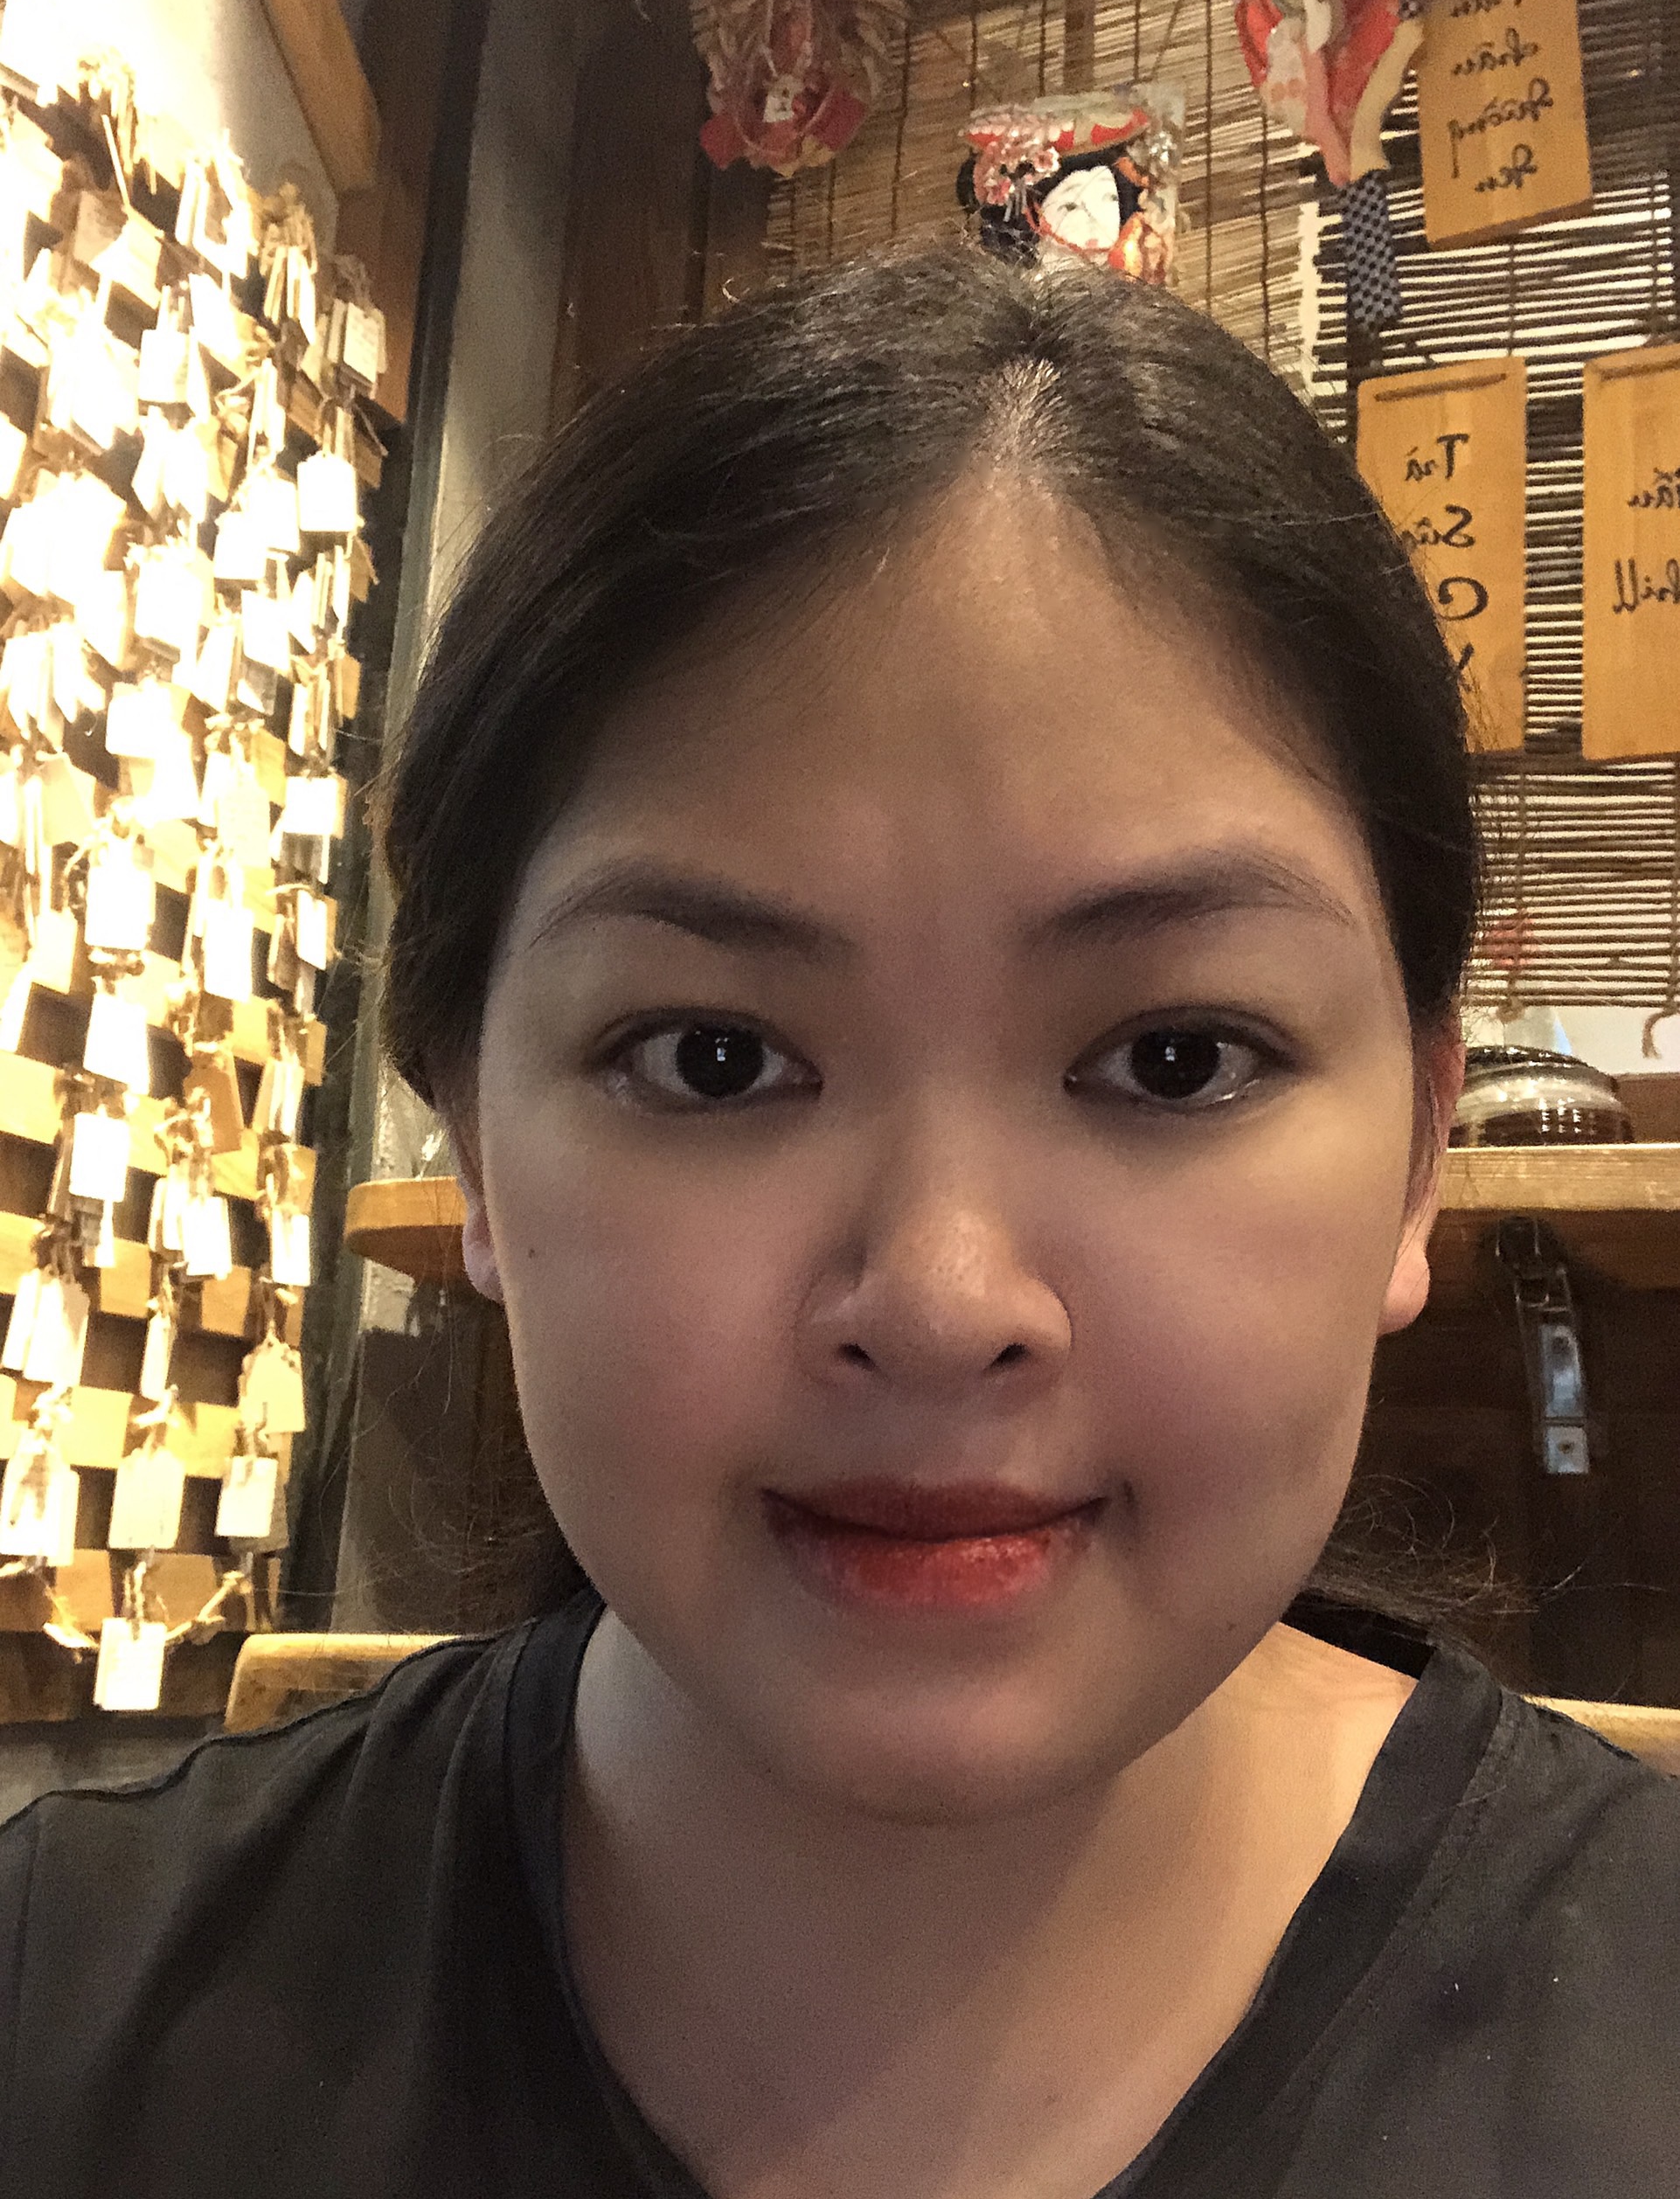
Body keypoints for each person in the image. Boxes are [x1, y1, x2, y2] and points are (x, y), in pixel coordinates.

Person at [2, 244, 1677, 2198]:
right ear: (471, 1144)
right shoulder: (60, 2020)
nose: (942, 1300)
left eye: (1174, 1061)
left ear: (1416, 1156)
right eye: (712, 1059)